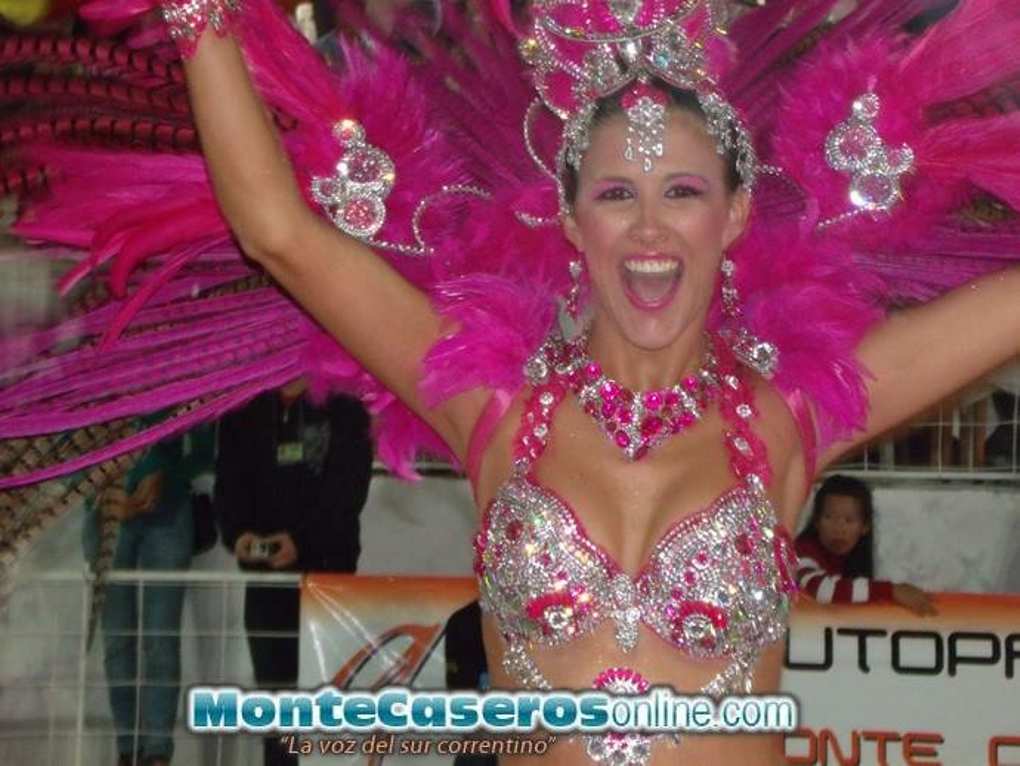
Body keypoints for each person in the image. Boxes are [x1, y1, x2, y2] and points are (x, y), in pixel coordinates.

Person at [5, 1, 1020, 764]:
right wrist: (197, 13)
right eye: (616, 194)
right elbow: (280, 234)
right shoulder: (493, 406)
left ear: (736, 217)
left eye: (683, 192)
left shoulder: (788, 418)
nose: (651, 227)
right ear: (572, 222)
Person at [213, 379, 372, 766]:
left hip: (328, 576)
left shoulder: (344, 407)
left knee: (327, 698)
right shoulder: (245, 407)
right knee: (275, 701)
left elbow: (348, 490)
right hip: (267, 579)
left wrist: (301, 541)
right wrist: (239, 535)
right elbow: (228, 481)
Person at [83, 425, 214, 766]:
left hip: (168, 513)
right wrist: (103, 491)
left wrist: (166, 477)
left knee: (161, 639)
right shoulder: (85, 384)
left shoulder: (178, 385)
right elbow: (62, 444)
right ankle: (127, 748)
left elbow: (205, 449)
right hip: (106, 513)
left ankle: (157, 752)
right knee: (117, 639)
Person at [795, 475, 936, 615]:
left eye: (849, 520)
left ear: (865, 527)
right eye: (829, 517)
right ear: (817, 521)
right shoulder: (802, 551)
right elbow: (823, 591)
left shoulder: (854, 559)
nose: (838, 529)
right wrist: (891, 590)